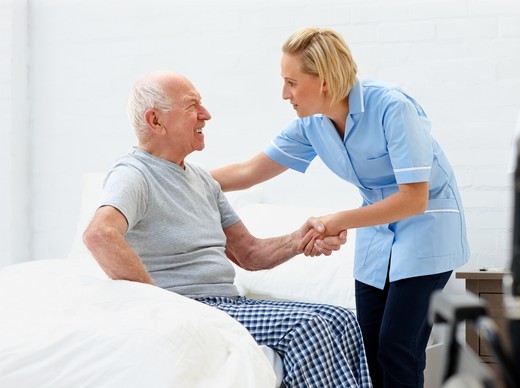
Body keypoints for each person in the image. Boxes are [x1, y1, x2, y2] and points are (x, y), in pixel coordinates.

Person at [211, 27, 470, 388]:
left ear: (325, 81)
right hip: (376, 233)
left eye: (291, 82)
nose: (284, 94)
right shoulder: (312, 124)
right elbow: (249, 171)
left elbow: (415, 198)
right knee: (367, 348)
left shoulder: (392, 108)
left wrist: (338, 220)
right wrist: (176, 174)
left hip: (426, 229)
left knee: (397, 345)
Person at [83, 71, 372, 388]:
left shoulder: (201, 179)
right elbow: (100, 234)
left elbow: (248, 253)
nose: (206, 115)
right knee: (309, 327)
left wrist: (300, 237)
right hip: (192, 306)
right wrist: (160, 305)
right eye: (193, 105)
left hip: (228, 303)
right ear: (155, 120)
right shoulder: (134, 174)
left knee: (343, 319)